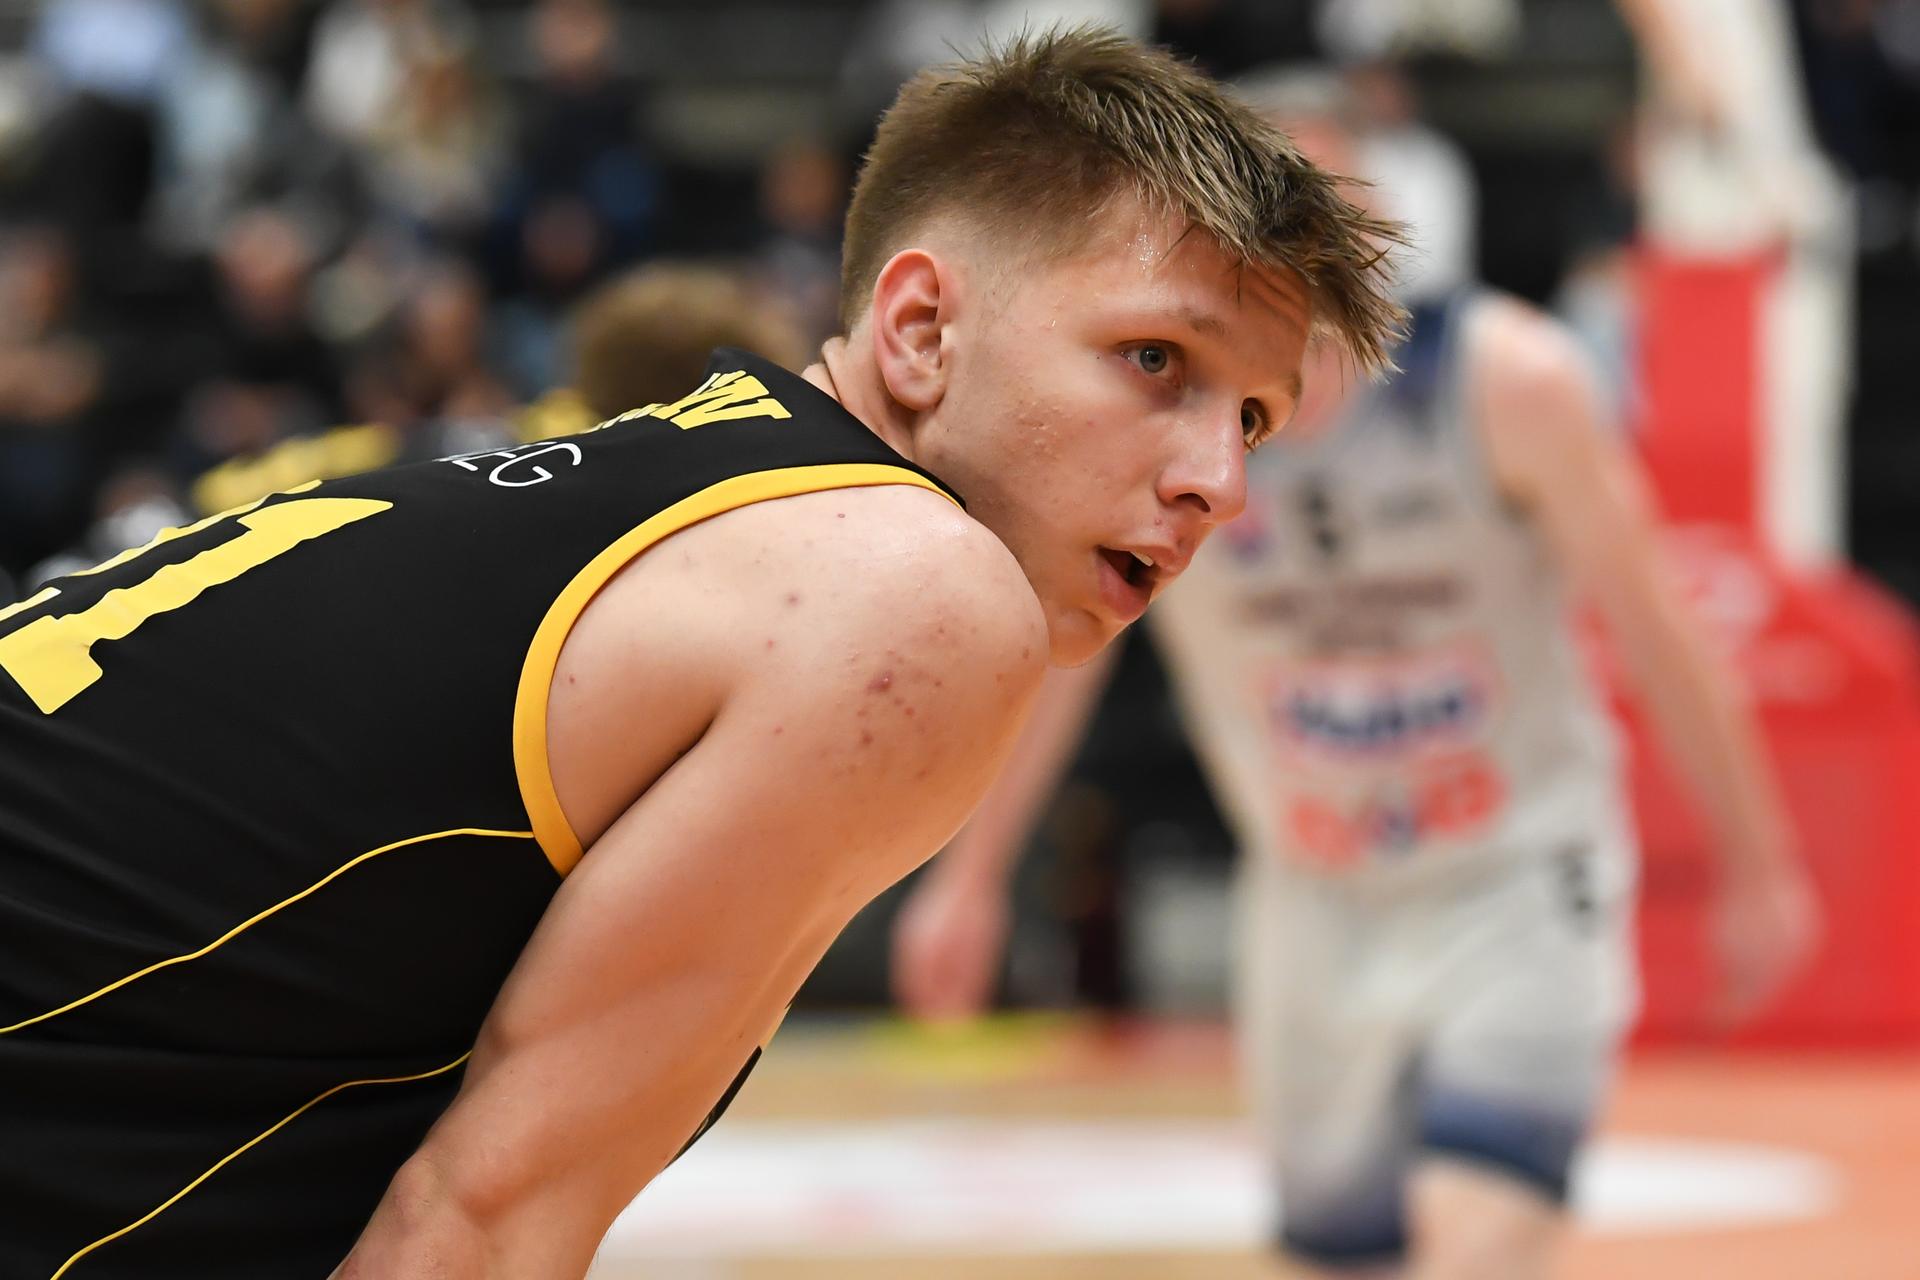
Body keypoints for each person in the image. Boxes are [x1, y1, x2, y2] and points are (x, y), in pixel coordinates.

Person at [0, 28, 1400, 1280]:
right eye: (1158, 360)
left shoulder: (710, 472)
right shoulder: (916, 594)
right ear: (919, 330)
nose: (1219, 478)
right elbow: (474, 1232)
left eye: (1258, 421)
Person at [892, 72, 1820, 1280]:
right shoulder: (1149, 414)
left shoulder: (1507, 381)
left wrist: (1759, 861)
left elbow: (1657, 629)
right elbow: (1066, 654)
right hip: (1315, 900)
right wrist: (969, 879)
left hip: (1517, 881)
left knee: (1481, 1245)